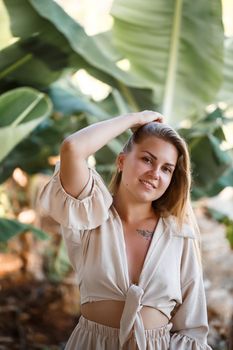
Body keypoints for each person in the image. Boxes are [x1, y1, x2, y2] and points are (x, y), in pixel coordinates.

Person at [39, 110, 212, 350]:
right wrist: (134, 120)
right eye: (147, 159)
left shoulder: (179, 234)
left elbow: (192, 328)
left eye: (166, 169)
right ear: (121, 161)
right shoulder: (91, 214)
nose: (155, 174)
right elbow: (73, 148)